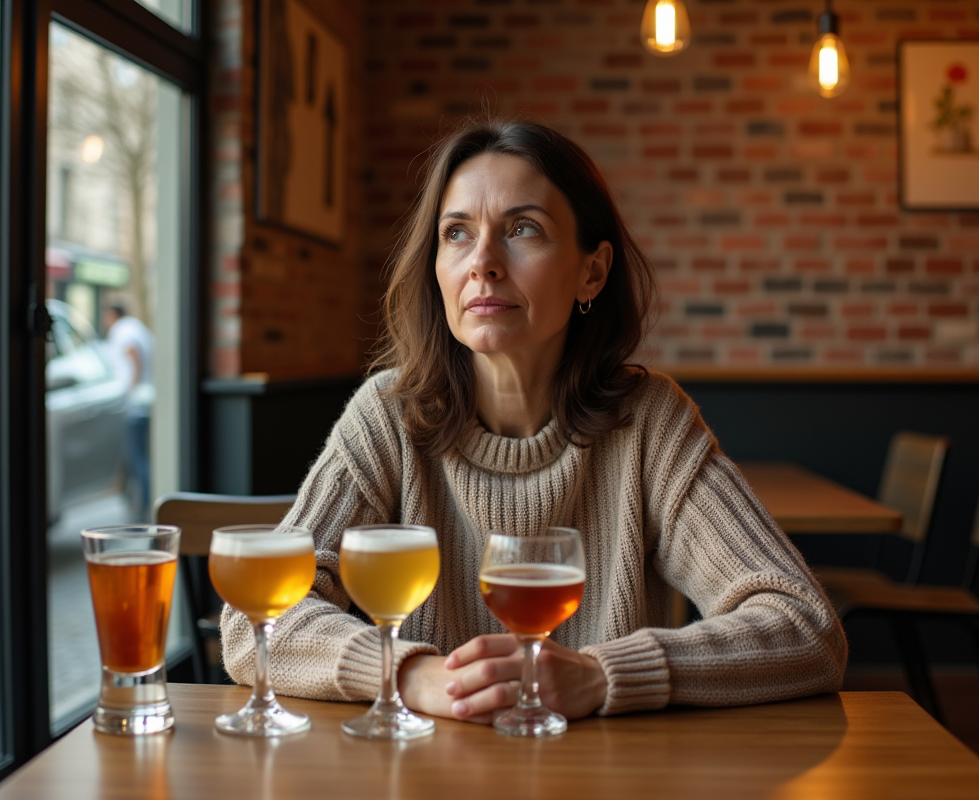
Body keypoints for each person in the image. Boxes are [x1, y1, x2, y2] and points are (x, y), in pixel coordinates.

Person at [222, 118, 846, 722]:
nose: (483, 262)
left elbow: (804, 625)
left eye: (522, 229)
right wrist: (411, 675)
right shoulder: (389, 415)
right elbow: (254, 624)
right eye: (457, 233)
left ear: (591, 272)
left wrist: (601, 675)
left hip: (607, 770)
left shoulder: (649, 422)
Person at [103, 301, 154, 521]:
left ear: (112, 315)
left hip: (136, 404)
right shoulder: (137, 327)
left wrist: (131, 391)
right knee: (139, 454)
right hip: (146, 400)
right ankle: (140, 502)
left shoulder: (123, 330)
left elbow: (133, 355)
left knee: (137, 456)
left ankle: (144, 505)